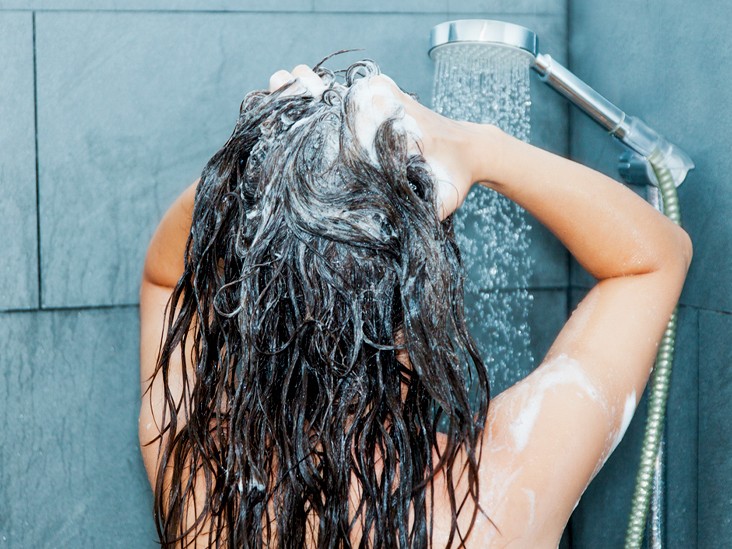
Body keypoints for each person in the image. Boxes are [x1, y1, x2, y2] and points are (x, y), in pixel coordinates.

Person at [138, 59, 692, 548]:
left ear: (259, 309)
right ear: (420, 302)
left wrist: (259, 162)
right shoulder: (498, 501)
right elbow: (652, 260)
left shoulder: (201, 486)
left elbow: (165, 276)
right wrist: (478, 148)